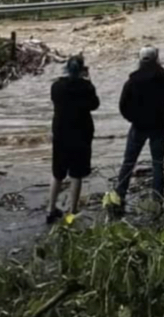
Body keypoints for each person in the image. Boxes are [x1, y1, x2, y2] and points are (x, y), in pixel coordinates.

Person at [113, 46, 164, 214]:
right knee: (158, 163)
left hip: (139, 126)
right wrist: (160, 68)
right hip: (159, 126)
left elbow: (123, 106)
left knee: (128, 162)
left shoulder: (132, 81)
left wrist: (133, 118)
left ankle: (119, 196)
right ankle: (157, 199)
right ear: (156, 59)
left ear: (140, 60)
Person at [45, 55, 99, 224]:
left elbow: (55, 100)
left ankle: (51, 209)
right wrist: (88, 80)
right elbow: (94, 104)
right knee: (77, 174)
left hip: (61, 133)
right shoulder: (86, 87)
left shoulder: (57, 87)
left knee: (58, 173)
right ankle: (71, 211)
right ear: (82, 70)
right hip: (81, 134)